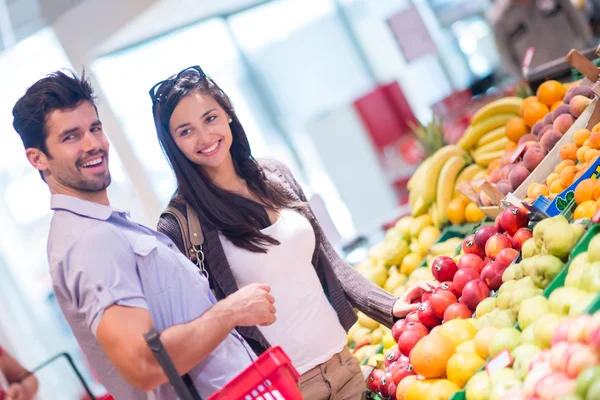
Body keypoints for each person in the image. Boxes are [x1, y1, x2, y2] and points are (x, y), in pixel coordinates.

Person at [153, 65, 434, 399]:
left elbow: (329, 260)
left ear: (228, 114)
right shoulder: (180, 224)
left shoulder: (274, 175)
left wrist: (389, 306)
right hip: (283, 389)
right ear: (172, 144)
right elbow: (199, 328)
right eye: (185, 131)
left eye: (210, 118)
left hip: (344, 364)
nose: (204, 137)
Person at [12, 70, 279, 400]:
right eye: (71, 137)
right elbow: (144, 364)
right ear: (37, 158)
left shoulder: (106, 229)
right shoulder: (90, 241)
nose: (93, 144)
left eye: (94, 128)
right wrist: (231, 312)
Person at [488, 0, 594, 78]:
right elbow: (507, 59)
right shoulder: (500, 18)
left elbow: (579, 22)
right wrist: (525, 79)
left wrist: (587, 52)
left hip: (578, 65)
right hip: (542, 80)